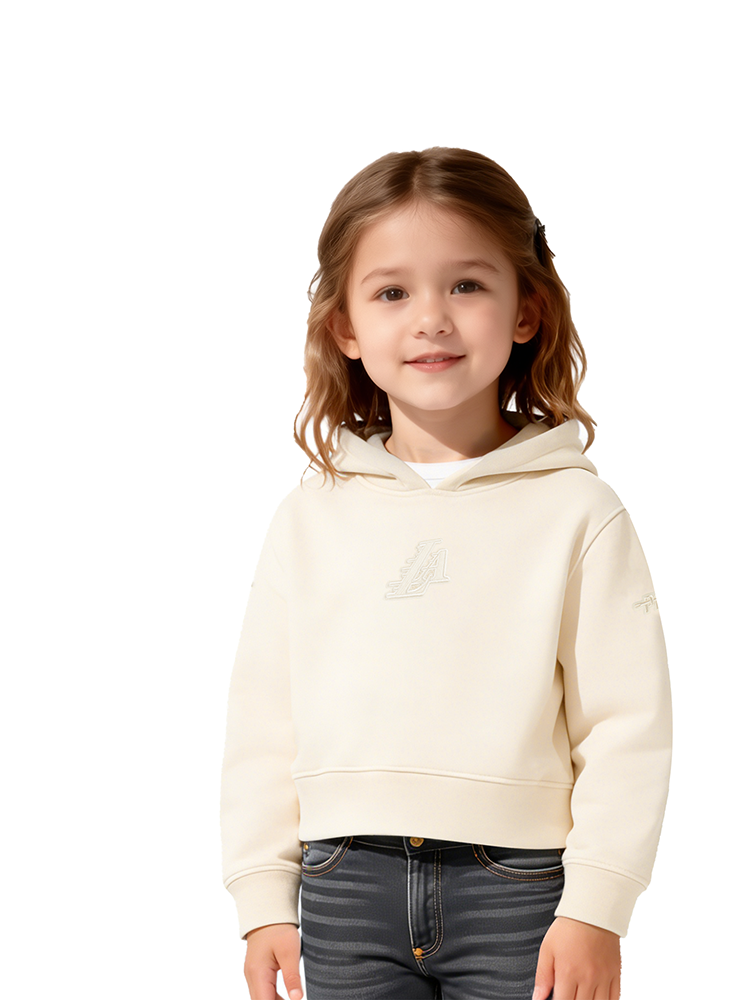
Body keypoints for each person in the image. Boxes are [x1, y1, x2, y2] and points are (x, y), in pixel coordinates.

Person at [220, 147, 672, 1000]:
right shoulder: (311, 515)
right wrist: (261, 896)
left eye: (465, 285)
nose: (431, 318)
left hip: (520, 889)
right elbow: (263, 724)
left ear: (526, 310)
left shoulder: (578, 511)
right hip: (342, 885)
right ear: (345, 328)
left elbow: (626, 726)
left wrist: (599, 907)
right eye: (392, 292)